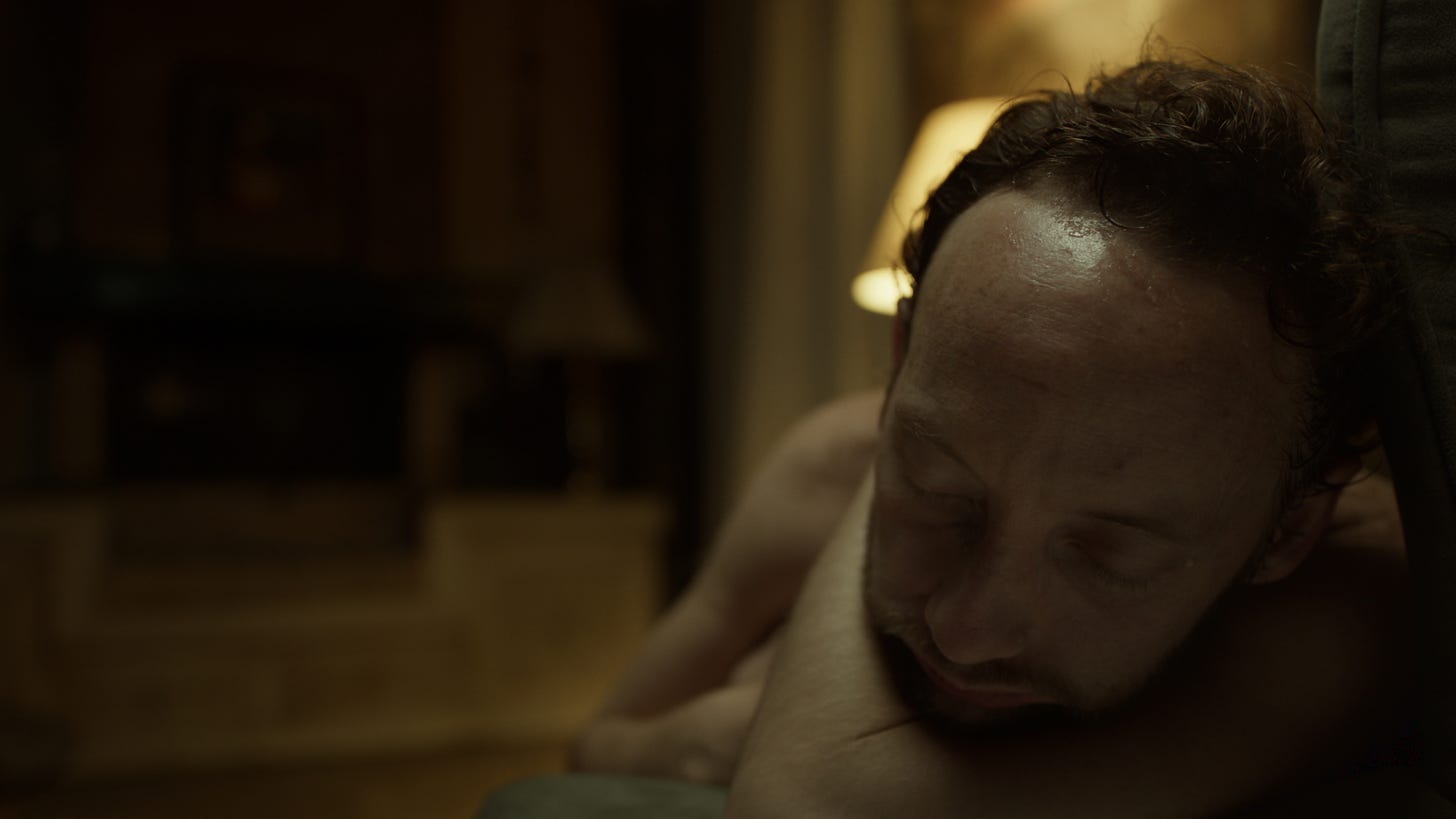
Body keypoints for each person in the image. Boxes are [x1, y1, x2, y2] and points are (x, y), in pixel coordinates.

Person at [519, 57, 1414, 817]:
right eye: (941, 493)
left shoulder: (1355, 598)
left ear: (1289, 528)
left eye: (1106, 551)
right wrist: (703, 739)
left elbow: (813, 806)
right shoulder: (831, 461)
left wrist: (772, 722)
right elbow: (600, 741)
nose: (965, 630)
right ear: (898, 363)